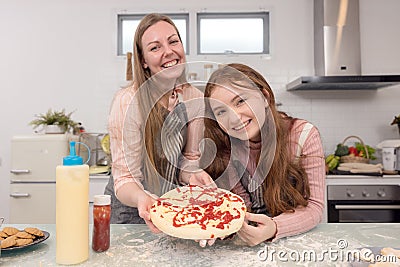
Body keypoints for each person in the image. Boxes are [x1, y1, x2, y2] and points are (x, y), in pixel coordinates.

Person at [202, 63, 325, 246]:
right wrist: (222, 225)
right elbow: (241, 205)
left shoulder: (303, 135)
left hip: (298, 243)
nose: (234, 117)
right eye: (221, 111)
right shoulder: (225, 146)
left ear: (265, 97)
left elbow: (315, 207)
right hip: (247, 245)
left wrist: (274, 227)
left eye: (240, 101)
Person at [104, 13, 205, 230]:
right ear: (143, 61)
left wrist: (194, 175)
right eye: (155, 47)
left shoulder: (194, 98)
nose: (168, 52)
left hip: (170, 208)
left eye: (173, 41)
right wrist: (143, 199)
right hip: (129, 213)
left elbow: (188, 160)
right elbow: (124, 179)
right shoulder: (128, 101)